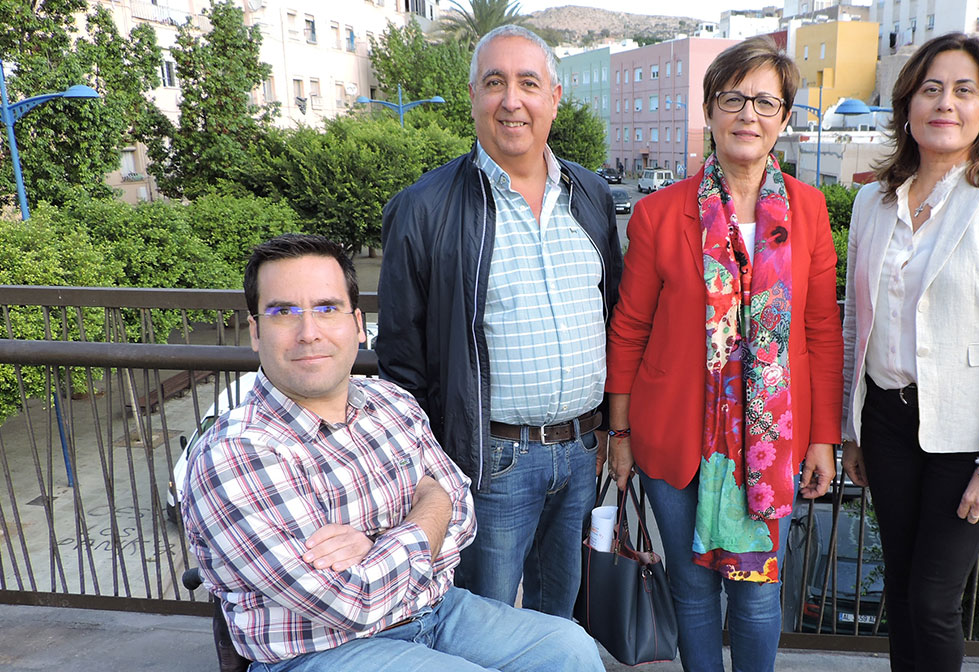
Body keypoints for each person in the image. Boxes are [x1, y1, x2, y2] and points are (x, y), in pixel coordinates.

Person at [181, 234, 604, 672]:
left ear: (358, 324)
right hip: (320, 650)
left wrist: (375, 541)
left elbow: (462, 512)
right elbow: (351, 601)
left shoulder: (390, 402)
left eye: (327, 308)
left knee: (569, 647)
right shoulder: (235, 453)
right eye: (283, 312)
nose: (309, 333)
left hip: (437, 612)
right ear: (255, 331)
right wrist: (428, 506)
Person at [605, 37, 843, 671]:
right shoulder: (659, 213)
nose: (748, 115)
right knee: (693, 592)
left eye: (766, 102)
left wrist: (823, 439)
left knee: (759, 598)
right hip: (675, 435)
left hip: (774, 441)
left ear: (785, 121)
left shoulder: (810, 211)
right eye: (733, 98)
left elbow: (821, 330)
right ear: (709, 110)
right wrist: (619, 431)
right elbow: (629, 327)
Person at [377, 25, 622, 618]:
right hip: (491, 463)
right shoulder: (423, 208)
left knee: (555, 621)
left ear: (554, 99)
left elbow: (616, 316)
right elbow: (401, 363)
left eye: (528, 83)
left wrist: (614, 432)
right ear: (473, 97)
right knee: (482, 622)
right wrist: (435, 466)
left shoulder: (589, 195)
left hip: (582, 452)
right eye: (495, 82)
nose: (512, 100)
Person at [839, 33, 979, 671]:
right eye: (931, 89)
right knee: (901, 589)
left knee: (934, 599)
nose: (946, 103)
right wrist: (850, 430)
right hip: (885, 421)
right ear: (907, 104)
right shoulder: (873, 201)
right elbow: (858, 325)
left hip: (966, 437)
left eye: (965, 91)